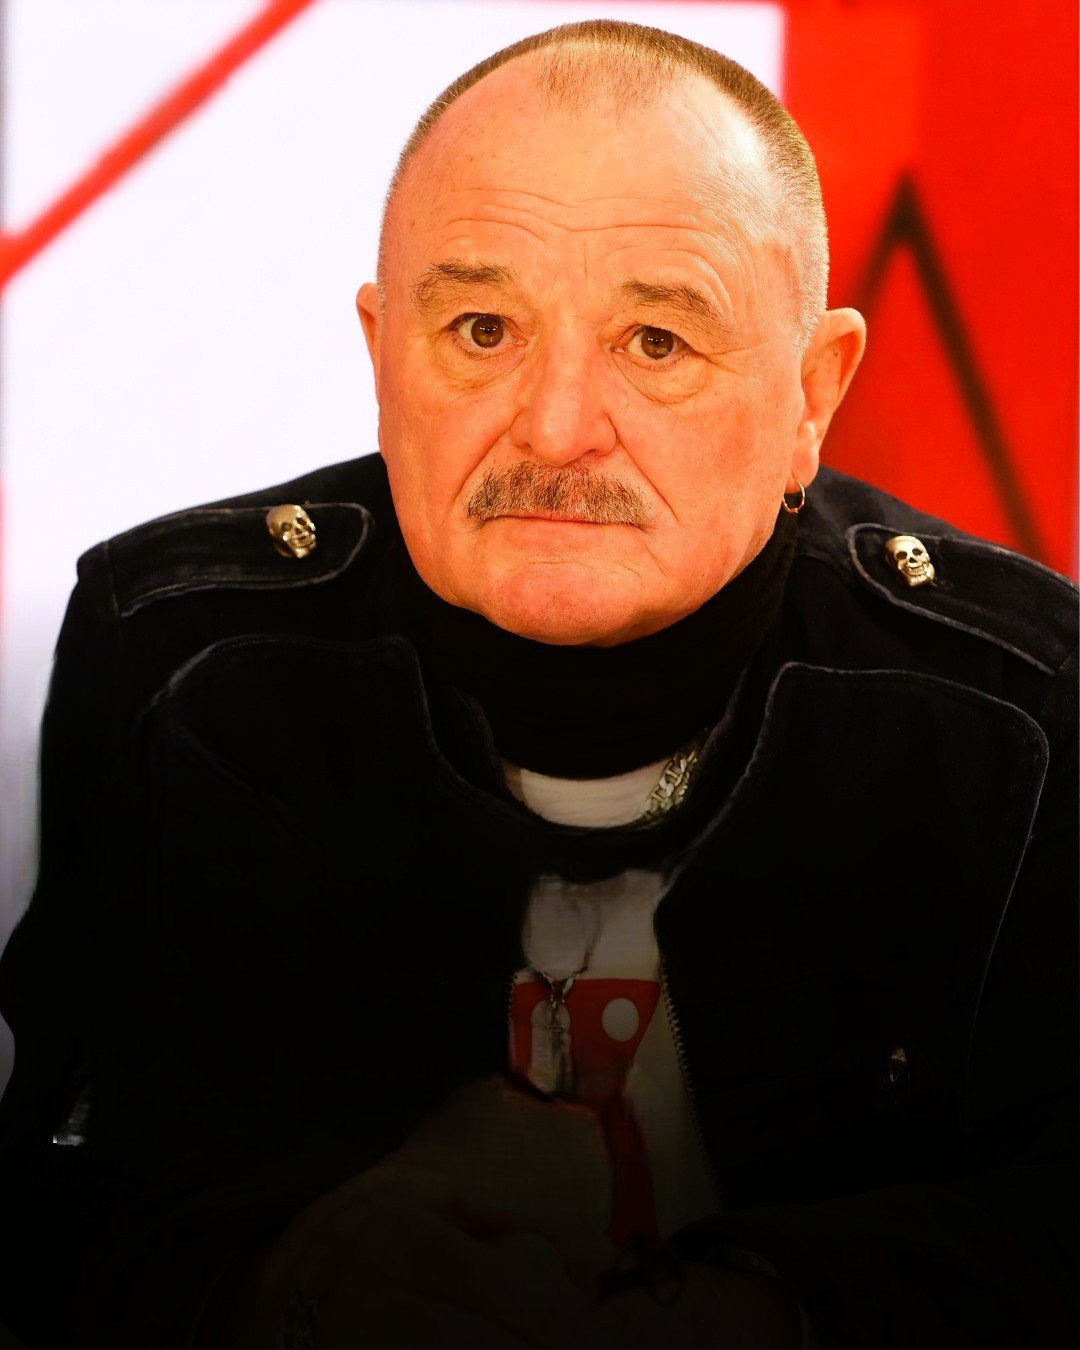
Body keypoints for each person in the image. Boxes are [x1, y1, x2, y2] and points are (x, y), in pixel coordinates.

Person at [0, 19, 1075, 1350]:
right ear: (382, 353)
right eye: (482, 328)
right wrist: (274, 1283)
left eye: (657, 342)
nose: (557, 427)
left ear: (814, 392)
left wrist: (765, 1312)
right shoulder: (174, 659)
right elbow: (56, 1188)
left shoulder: (1024, 710)